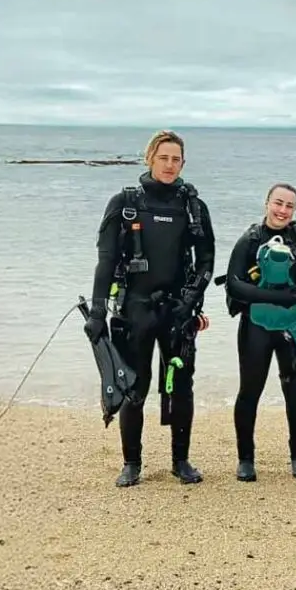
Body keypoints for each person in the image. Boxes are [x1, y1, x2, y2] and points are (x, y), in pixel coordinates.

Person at [84, 129, 216, 487]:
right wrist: (97, 313)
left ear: (183, 163)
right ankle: (132, 463)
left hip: (178, 311)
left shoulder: (193, 207)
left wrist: (190, 299)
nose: (170, 165)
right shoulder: (124, 203)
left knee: (181, 387)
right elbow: (106, 261)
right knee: (134, 389)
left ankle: (181, 460)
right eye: (163, 158)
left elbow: (206, 260)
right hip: (134, 310)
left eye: (176, 159)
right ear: (149, 159)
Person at [220, 183, 296, 482]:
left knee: (295, 391)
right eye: (278, 203)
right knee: (250, 391)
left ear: (295, 210)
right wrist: (272, 297)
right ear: (267, 203)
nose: (283, 211)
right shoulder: (251, 239)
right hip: (256, 326)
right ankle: (246, 459)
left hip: (294, 327)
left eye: (289, 206)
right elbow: (233, 283)